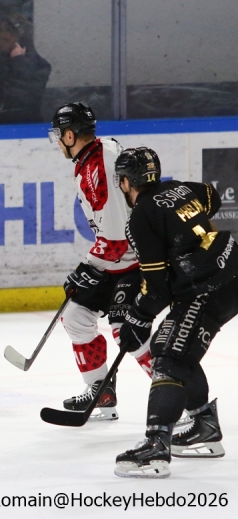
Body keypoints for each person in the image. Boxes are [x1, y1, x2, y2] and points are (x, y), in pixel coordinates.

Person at [113, 147, 236, 478]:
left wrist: (137, 318)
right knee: (176, 345)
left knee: (168, 356)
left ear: (127, 182)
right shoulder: (179, 188)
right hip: (229, 270)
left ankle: (156, 446)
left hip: (207, 286)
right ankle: (203, 425)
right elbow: (211, 197)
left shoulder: (140, 217)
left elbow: (157, 288)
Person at [49, 102, 152, 421]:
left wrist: (85, 267)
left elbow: (117, 241)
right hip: (117, 260)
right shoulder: (101, 150)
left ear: (69, 135)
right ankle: (101, 392)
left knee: (127, 331)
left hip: (136, 261)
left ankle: (183, 396)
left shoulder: (97, 170)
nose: (58, 142)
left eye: (59, 135)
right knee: (75, 315)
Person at [0, 14, 52, 124]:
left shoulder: (39, 64)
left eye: (5, 40)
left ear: (20, 41)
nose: (0, 44)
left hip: (26, 123)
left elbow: (27, 95)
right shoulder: (2, 62)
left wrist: (19, 61)